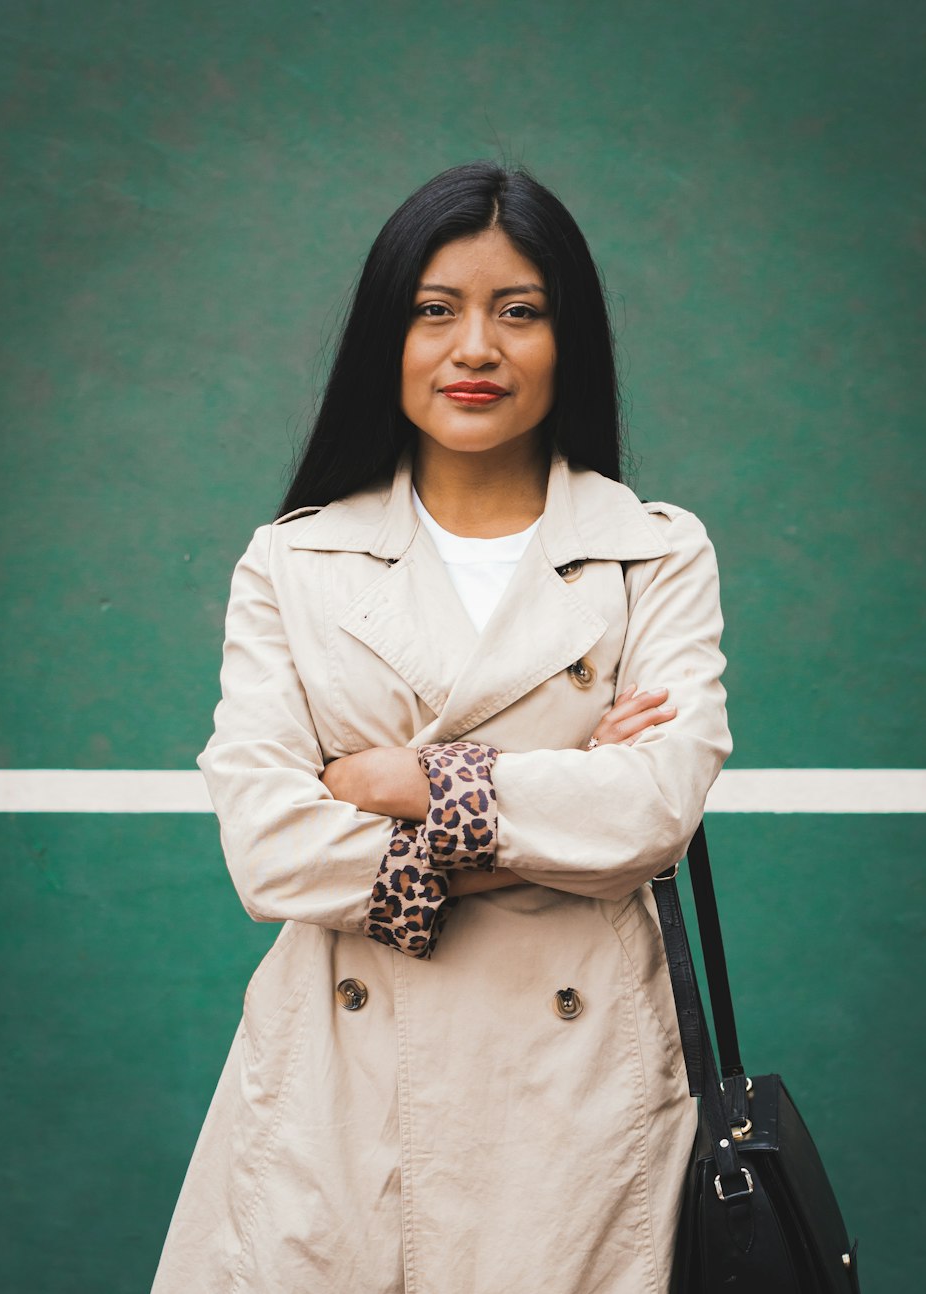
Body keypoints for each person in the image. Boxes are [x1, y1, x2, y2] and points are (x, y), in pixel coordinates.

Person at [152, 160, 731, 1294]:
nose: (476, 348)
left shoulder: (652, 551)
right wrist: (546, 808)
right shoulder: (294, 559)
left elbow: (655, 807)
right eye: (434, 311)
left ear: (571, 340)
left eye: (519, 311)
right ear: (388, 339)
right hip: (338, 1087)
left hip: (576, 1100)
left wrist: (410, 782)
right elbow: (270, 845)